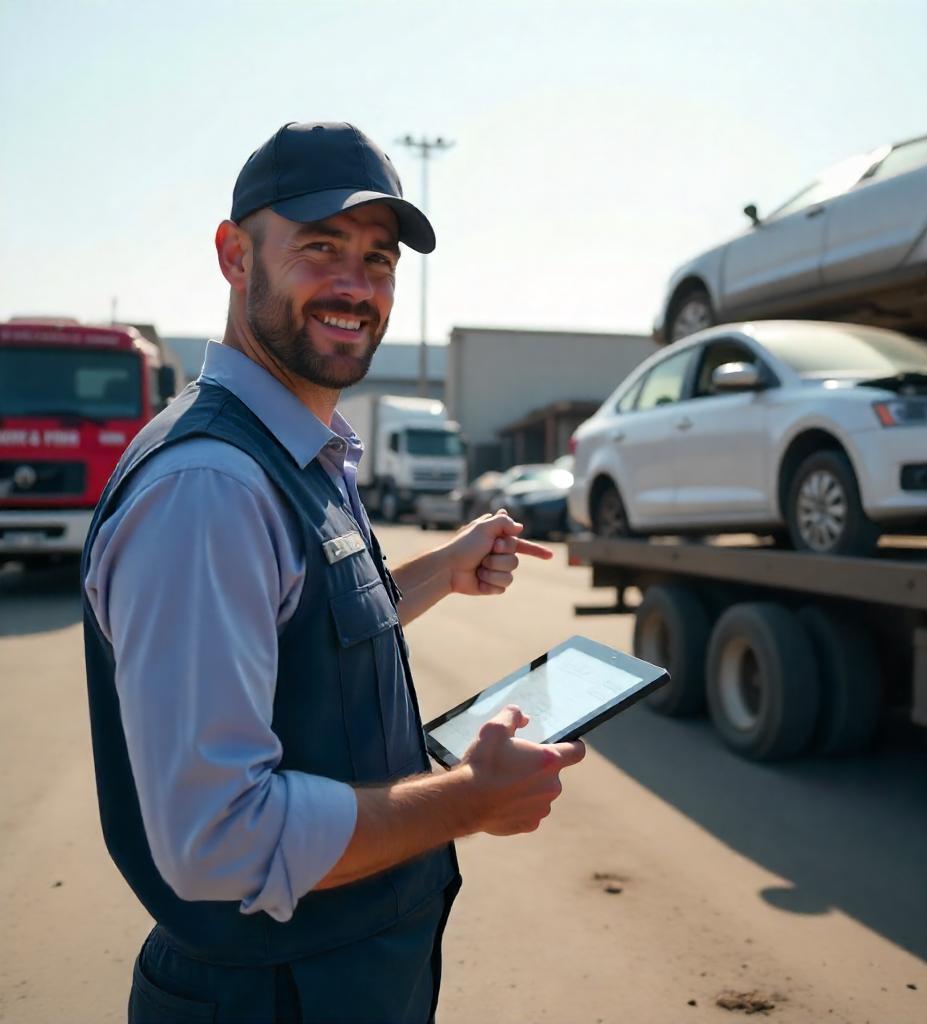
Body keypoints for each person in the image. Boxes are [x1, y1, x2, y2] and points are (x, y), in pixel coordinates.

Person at [81, 121, 586, 1024]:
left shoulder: (300, 451)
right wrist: (468, 799)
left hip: (337, 980)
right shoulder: (210, 489)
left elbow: (307, 624)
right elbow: (218, 841)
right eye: (320, 248)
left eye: (379, 260)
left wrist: (446, 566)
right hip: (270, 996)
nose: (355, 287)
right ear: (235, 257)